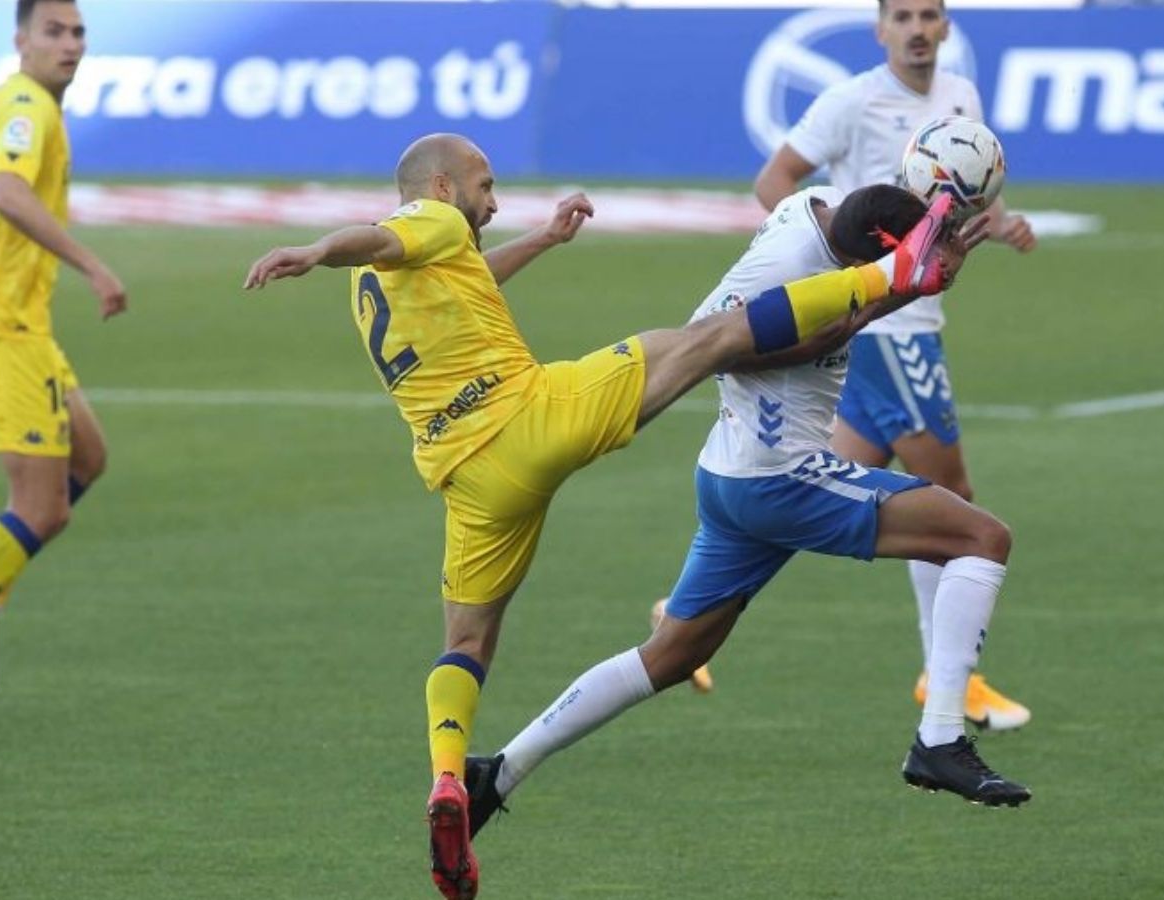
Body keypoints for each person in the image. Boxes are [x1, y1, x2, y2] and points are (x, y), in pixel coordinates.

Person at [242, 136, 962, 900]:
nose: (493, 203)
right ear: (443, 187)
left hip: (468, 482)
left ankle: (450, 779)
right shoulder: (427, 221)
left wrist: (545, 239)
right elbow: (378, 238)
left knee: (466, 641)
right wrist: (315, 249)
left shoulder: (385, 280)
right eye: (485, 187)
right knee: (710, 338)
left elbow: (460, 277)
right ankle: (888, 274)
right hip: (534, 419)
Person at [458, 184, 1030, 852]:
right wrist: (894, 291)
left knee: (669, 657)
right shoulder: (790, 265)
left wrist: (914, 273)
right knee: (981, 538)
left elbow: (855, 292)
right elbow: (711, 341)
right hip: (781, 478)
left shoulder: (818, 209)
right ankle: (939, 739)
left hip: (731, 475)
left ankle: (498, 773)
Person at [753, 0, 1036, 731]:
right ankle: (950, 680)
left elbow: (968, 193)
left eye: (928, 15)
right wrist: (834, 262)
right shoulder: (850, 101)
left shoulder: (961, 97)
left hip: (912, 318)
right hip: (890, 325)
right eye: (902, 16)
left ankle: (683, 610)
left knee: (804, 491)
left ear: (946, 27)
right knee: (952, 497)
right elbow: (774, 180)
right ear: (880, 29)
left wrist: (1002, 224)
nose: (916, 29)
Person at [0, 0, 128, 693]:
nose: (70, 43)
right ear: (21, 40)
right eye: (54, 31)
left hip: (12, 320)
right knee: (41, 508)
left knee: (89, 456)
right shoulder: (27, 108)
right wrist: (93, 267)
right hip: (3, 328)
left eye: (78, 32)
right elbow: (8, 194)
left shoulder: (8, 101)